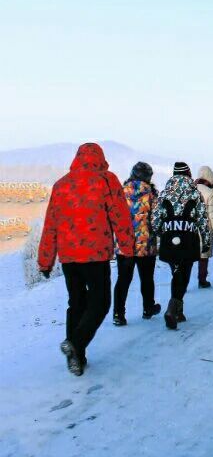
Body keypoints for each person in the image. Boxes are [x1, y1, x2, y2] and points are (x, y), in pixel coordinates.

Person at [38, 143, 135, 376]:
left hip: (69, 257)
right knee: (101, 302)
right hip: (95, 255)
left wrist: (45, 260)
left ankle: (77, 358)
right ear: (100, 158)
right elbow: (120, 216)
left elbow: (50, 225)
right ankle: (76, 343)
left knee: (77, 303)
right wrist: (128, 249)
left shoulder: (61, 185)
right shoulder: (106, 180)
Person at [153, 162, 211, 329]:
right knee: (183, 274)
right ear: (188, 174)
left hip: (169, 239)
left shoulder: (164, 193)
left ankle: (178, 311)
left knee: (176, 272)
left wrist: (162, 233)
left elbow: (155, 221)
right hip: (188, 239)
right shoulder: (194, 193)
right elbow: (203, 220)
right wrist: (206, 242)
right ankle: (173, 309)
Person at [113, 161, 161, 325]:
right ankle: (148, 308)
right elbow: (156, 221)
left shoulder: (120, 193)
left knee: (123, 279)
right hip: (145, 244)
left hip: (124, 244)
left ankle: (118, 314)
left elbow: (115, 218)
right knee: (147, 278)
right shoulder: (151, 195)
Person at [195, 165, 213, 288]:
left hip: (190, 227)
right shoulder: (211, 193)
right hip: (205, 227)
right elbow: (212, 214)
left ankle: (182, 281)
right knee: (203, 256)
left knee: (188, 255)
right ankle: (202, 280)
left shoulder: (190, 189)